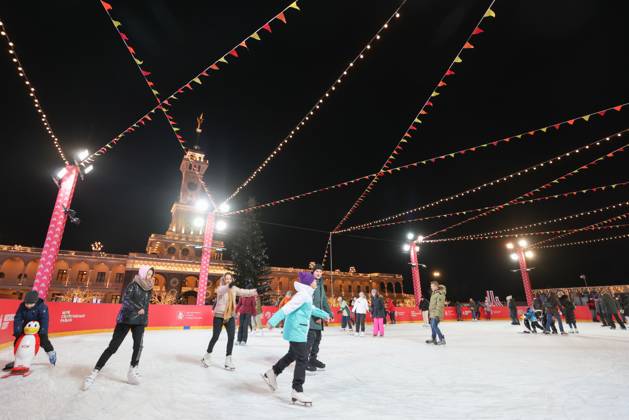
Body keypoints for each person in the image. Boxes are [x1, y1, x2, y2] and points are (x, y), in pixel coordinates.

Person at [262, 271, 330, 406]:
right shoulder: (303, 295)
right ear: (309, 282)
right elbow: (287, 308)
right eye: (314, 280)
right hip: (296, 329)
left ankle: (273, 372)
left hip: (298, 329)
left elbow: (311, 309)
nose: (316, 282)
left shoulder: (306, 296)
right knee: (303, 358)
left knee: (293, 354)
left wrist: (325, 315)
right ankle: (297, 390)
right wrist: (273, 321)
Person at [83, 265, 154, 390]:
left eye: (151, 274)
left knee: (139, 346)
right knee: (113, 347)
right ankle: (94, 372)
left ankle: (132, 371)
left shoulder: (149, 289)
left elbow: (146, 306)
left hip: (140, 322)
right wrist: (138, 308)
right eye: (148, 274)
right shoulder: (133, 285)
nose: (149, 276)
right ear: (142, 273)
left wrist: (145, 320)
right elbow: (125, 299)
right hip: (126, 319)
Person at [201, 273, 257, 370]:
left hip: (230, 316)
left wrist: (255, 291)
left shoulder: (234, 288)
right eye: (226, 279)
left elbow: (244, 292)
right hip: (219, 315)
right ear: (224, 280)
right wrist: (228, 286)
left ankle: (228, 360)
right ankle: (207, 356)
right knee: (215, 336)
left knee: (231, 337)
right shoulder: (220, 288)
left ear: (232, 279)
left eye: (230, 279)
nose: (228, 280)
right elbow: (223, 290)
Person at [3, 290, 56, 371]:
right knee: (18, 341)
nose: (28, 305)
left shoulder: (42, 307)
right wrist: (17, 330)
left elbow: (44, 319)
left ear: (35, 301)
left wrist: (42, 331)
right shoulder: (22, 305)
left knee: (44, 341)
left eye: (30, 303)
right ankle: (19, 359)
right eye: (26, 303)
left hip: (38, 325)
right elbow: (18, 318)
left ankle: (51, 353)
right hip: (27, 325)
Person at [306, 264, 333, 373]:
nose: (318, 273)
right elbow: (308, 302)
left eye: (320, 272)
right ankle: (305, 362)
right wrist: (317, 316)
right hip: (311, 317)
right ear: (313, 272)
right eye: (317, 271)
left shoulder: (321, 284)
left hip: (319, 317)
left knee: (317, 339)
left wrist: (330, 313)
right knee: (310, 340)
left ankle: (313, 359)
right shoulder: (310, 283)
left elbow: (324, 301)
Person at [426, 281, 446, 345]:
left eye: (432, 286)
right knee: (432, 326)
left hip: (436, 313)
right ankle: (433, 339)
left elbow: (439, 305)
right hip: (432, 313)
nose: (431, 287)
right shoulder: (434, 293)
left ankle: (442, 339)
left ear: (435, 286)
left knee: (434, 325)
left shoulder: (440, 293)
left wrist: (437, 315)